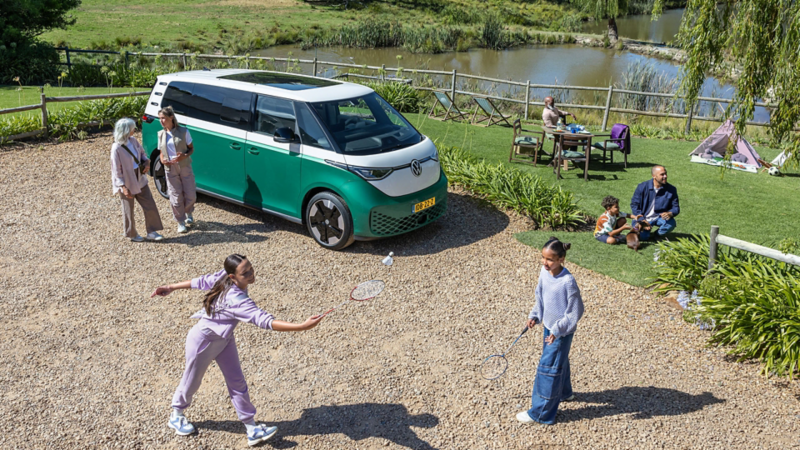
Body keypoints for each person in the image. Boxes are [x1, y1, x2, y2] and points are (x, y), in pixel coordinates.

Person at [151, 254, 324, 446]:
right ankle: (176, 414)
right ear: (232, 277)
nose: (251, 274)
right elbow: (264, 320)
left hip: (224, 339)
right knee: (192, 380)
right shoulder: (238, 300)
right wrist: (301, 326)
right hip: (203, 342)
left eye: (250, 268)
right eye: (245, 272)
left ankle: (251, 428)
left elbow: (200, 281)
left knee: (237, 382)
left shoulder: (224, 276)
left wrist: (171, 287)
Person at [516, 237, 584, 425]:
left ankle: (541, 413)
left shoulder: (568, 282)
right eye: (543, 258)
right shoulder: (544, 273)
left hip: (560, 333)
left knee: (548, 369)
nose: (545, 263)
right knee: (557, 361)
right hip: (548, 328)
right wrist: (535, 315)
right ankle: (564, 393)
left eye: (550, 260)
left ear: (561, 259)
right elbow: (540, 295)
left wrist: (557, 329)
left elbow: (575, 311)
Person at [110, 118, 164, 242]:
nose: (134, 130)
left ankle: (152, 231)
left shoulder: (133, 140)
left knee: (150, 204)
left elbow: (142, 154)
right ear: (125, 130)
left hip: (140, 177)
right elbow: (116, 171)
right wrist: (123, 187)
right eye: (132, 128)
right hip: (127, 181)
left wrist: (146, 162)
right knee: (128, 209)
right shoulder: (116, 148)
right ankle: (132, 234)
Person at [158, 106, 196, 234]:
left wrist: (184, 155)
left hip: (184, 165)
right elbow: (161, 152)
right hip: (170, 168)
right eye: (160, 119)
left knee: (190, 194)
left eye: (163, 118)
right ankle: (180, 222)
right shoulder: (161, 134)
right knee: (175, 195)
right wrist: (163, 160)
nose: (161, 121)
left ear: (171, 118)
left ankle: (188, 212)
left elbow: (191, 149)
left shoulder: (184, 131)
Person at [630, 165, 679, 241]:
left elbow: (676, 207)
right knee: (643, 238)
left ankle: (657, 234)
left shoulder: (671, 189)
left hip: (659, 217)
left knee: (671, 224)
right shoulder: (642, 187)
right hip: (644, 217)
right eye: (662, 174)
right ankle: (644, 231)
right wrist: (642, 220)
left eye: (665, 174)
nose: (665, 176)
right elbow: (634, 205)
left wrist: (670, 213)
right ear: (654, 176)